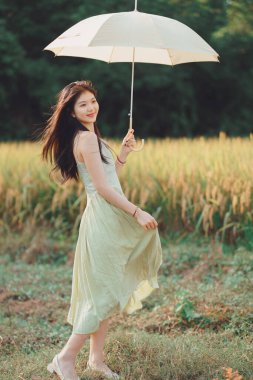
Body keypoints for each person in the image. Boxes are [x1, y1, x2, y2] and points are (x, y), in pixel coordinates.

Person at [41, 80, 163, 380]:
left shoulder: (89, 137)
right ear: (71, 112)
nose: (91, 107)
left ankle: (95, 359)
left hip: (104, 217)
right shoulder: (86, 139)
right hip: (104, 219)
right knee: (102, 294)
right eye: (83, 104)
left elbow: (107, 178)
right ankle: (65, 358)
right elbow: (104, 189)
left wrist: (121, 154)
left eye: (93, 101)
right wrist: (137, 211)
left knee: (106, 290)